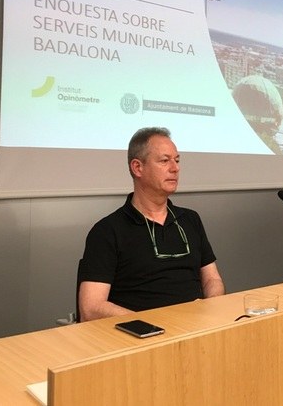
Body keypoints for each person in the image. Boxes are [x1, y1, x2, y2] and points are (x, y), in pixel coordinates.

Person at [78, 127, 225, 321]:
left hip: (195, 328)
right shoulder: (108, 231)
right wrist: (153, 324)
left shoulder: (190, 219)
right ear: (137, 167)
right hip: (142, 333)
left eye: (177, 160)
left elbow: (212, 279)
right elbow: (91, 307)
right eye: (165, 161)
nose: (175, 168)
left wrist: (210, 306)